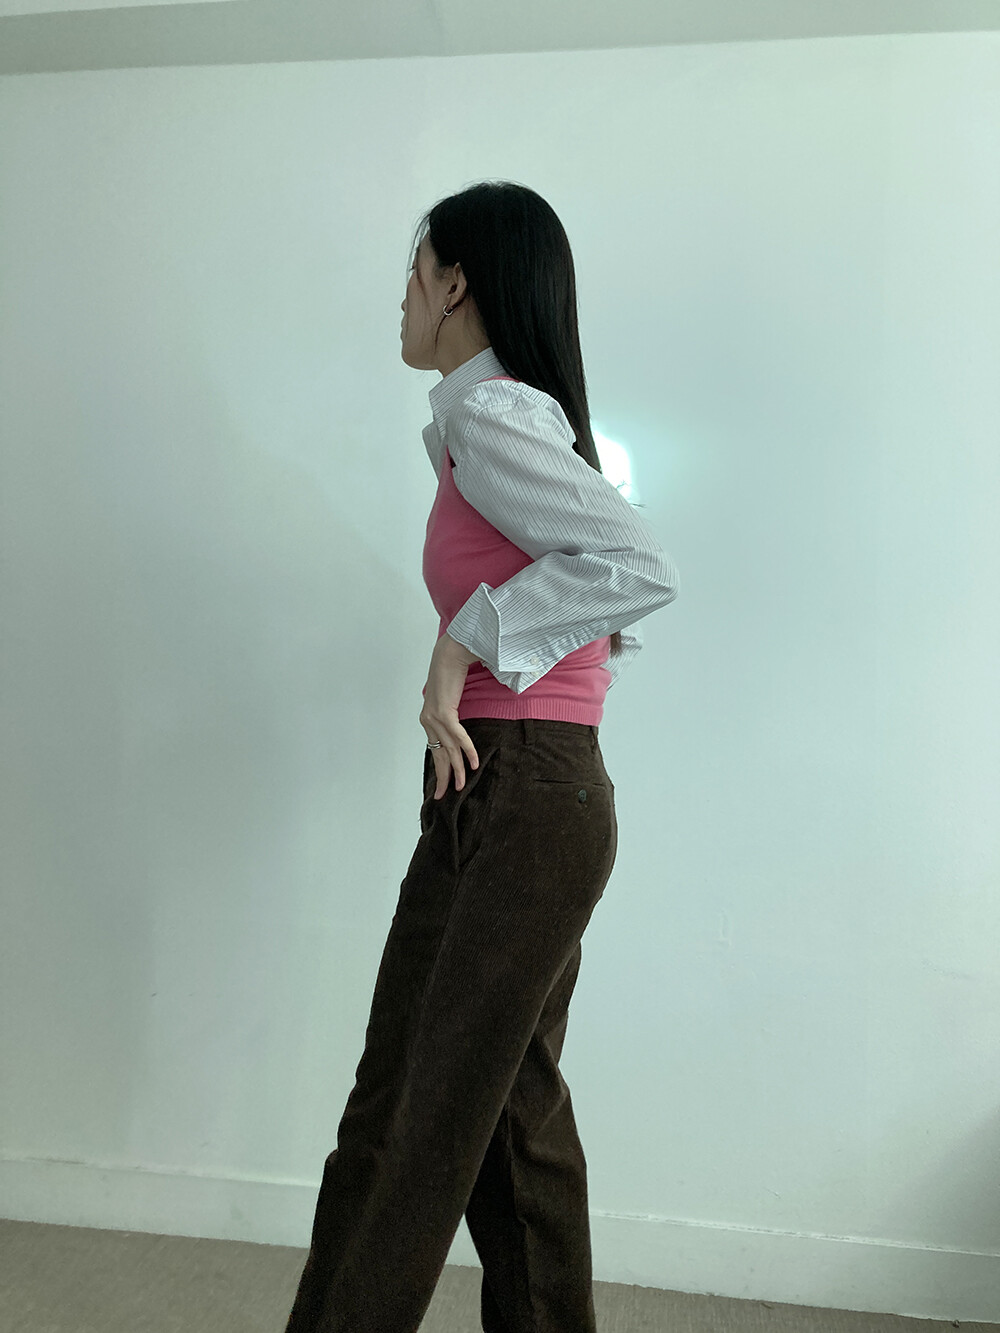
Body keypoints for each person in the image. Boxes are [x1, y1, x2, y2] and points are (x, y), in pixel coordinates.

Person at [284, 181, 679, 1333]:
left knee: (410, 1113)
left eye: (412, 273)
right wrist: (486, 647)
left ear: (455, 282)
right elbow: (599, 588)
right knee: (509, 1117)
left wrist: (464, 640)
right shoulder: (500, 419)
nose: (401, 298)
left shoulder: (494, 414)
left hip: (518, 793)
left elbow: (633, 565)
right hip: (524, 792)